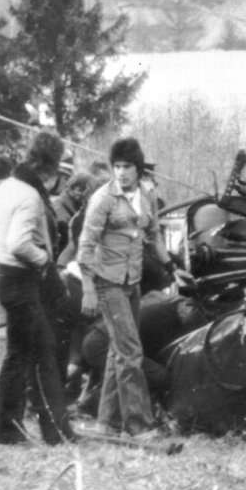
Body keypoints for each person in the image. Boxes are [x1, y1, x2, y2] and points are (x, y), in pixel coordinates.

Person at [77, 137, 178, 439]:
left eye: (127, 167)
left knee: (118, 354)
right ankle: (138, 426)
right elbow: (85, 247)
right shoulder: (103, 199)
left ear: (138, 168)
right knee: (131, 352)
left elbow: (154, 235)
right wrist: (88, 288)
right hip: (107, 283)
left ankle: (106, 422)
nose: (121, 173)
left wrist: (172, 268)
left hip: (131, 283)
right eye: (116, 167)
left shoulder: (146, 195)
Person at [0, 132, 75, 445]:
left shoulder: (6, 187)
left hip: (5, 278)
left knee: (23, 353)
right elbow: (19, 242)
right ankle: (52, 432)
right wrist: (44, 261)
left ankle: (11, 429)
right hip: (21, 281)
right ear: (49, 170)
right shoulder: (29, 195)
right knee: (39, 357)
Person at [74, 290, 211, 417]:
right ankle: (91, 405)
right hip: (105, 342)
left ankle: (91, 404)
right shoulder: (190, 308)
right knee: (159, 377)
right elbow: (196, 345)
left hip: (97, 337)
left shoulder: (160, 296)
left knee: (140, 373)